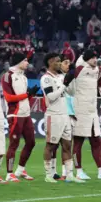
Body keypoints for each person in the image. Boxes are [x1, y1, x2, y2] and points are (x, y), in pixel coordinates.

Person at [67, 50, 101, 180]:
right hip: (80, 111)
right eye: (92, 58)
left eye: (96, 57)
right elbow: (69, 77)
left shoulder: (95, 71)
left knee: (96, 142)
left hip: (92, 112)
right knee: (78, 143)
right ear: (86, 59)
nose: (95, 60)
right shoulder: (80, 69)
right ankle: (78, 171)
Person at [40, 53, 82, 183]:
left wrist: (72, 78)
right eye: (58, 61)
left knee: (67, 145)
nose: (60, 63)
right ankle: (48, 175)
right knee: (50, 146)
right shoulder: (46, 78)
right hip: (53, 115)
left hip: (65, 115)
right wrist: (64, 84)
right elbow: (51, 97)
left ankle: (69, 175)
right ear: (50, 62)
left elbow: (72, 92)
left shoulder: (60, 76)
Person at [1, 53, 39, 182]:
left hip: (26, 114)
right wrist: (26, 95)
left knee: (31, 142)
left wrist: (30, 95)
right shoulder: (7, 76)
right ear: (18, 62)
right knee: (14, 144)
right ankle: (9, 173)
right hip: (15, 114)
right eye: (25, 60)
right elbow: (9, 98)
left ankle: (20, 169)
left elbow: (24, 97)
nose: (27, 63)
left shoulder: (24, 77)